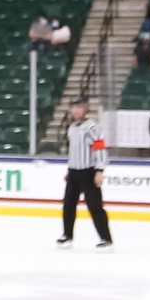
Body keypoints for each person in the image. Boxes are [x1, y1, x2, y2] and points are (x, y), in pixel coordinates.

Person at [57, 99, 113, 249]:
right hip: (74, 171)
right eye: (73, 108)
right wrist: (69, 170)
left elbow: (99, 148)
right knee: (68, 204)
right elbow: (73, 150)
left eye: (79, 108)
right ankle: (67, 235)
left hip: (89, 171)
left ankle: (106, 238)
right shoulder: (72, 128)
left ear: (86, 109)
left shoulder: (92, 127)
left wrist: (99, 170)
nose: (75, 111)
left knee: (95, 206)